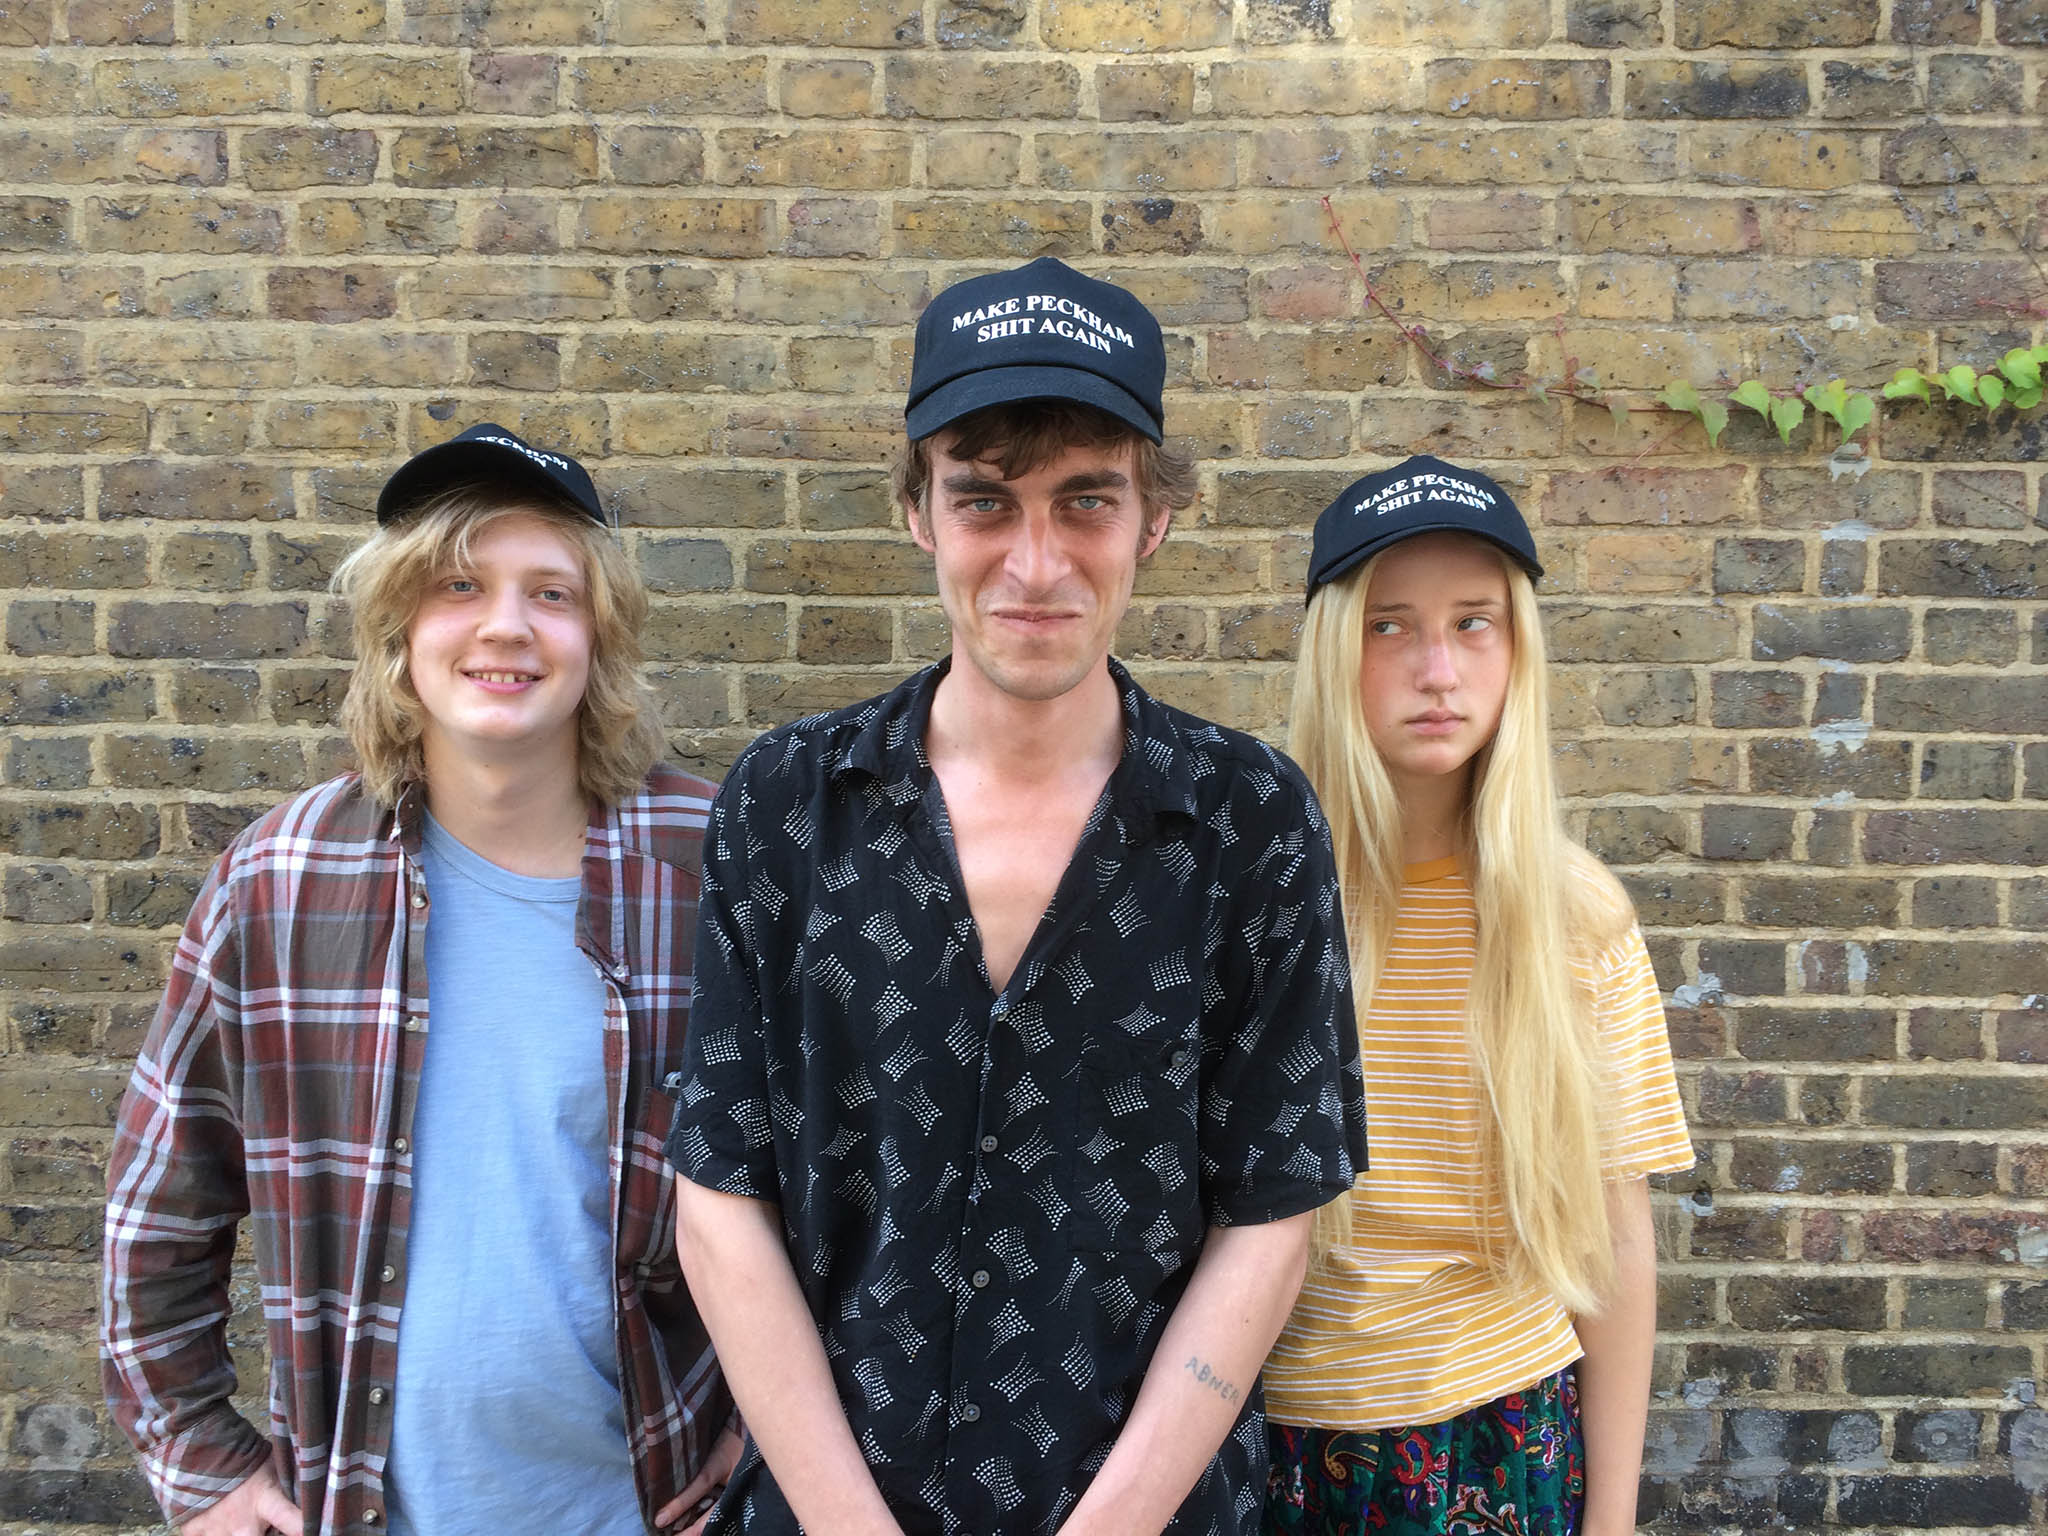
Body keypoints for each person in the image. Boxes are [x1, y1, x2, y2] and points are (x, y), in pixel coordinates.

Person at [666, 257, 1371, 1535]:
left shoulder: (1246, 821)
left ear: (1152, 519)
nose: (1034, 564)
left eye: (1084, 501)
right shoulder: (785, 805)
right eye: (985, 501)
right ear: (917, 515)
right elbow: (721, 1199)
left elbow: (1271, 1214)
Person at [102, 426, 737, 1536]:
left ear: (597, 635)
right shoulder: (279, 882)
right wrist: (201, 1466)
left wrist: (769, 1442)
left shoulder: (711, 864)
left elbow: (847, 1189)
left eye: (551, 591)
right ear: (399, 630)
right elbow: (160, 1212)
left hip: (648, 1503)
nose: (505, 624)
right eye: (458, 585)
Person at [1260, 457, 1695, 1536]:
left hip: (1499, 1433)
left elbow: (1614, 1235)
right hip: (1267, 1436)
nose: (1437, 669)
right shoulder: (1253, 901)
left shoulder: (1575, 917)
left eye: (1473, 624)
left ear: (1518, 650)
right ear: (1332, 649)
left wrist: (1611, 1519)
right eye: (1389, 627)